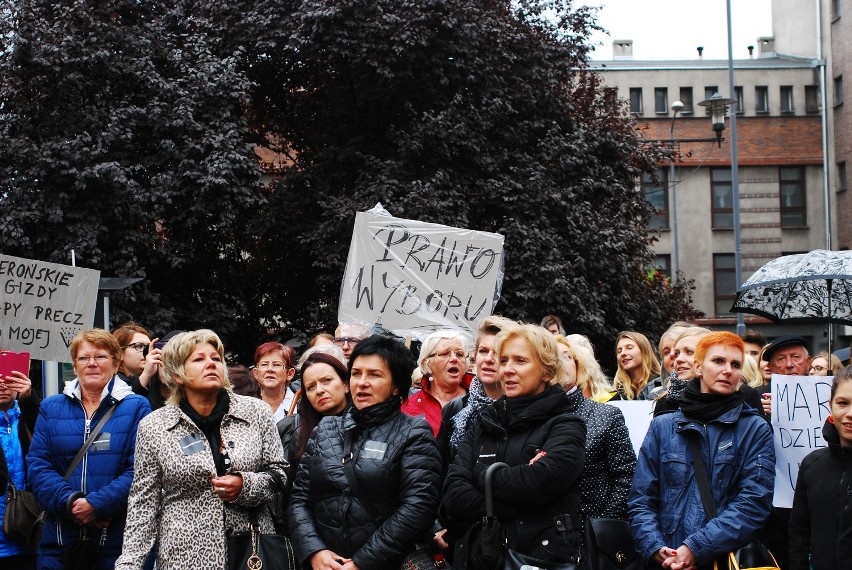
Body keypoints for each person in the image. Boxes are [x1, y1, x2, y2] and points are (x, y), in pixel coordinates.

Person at [115, 329, 287, 570]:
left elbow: (279, 475)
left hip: (251, 553)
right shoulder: (154, 426)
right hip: (182, 556)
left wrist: (244, 486)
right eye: (198, 359)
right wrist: (130, 563)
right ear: (177, 374)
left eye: (216, 359)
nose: (211, 364)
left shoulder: (256, 412)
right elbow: (143, 503)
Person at [288, 335, 441, 570]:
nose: (361, 382)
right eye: (357, 373)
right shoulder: (327, 429)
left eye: (374, 375)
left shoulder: (414, 432)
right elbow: (300, 498)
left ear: (397, 386)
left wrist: (362, 562)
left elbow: (418, 507)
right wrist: (314, 551)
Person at [628, 332, 775, 570]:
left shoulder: (754, 428)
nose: (727, 370)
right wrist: (655, 548)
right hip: (666, 560)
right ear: (698, 367)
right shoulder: (663, 426)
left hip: (723, 560)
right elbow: (641, 499)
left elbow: (753, 502)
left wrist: (696, 549)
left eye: (735, 364)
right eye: (718, 361)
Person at [443, 325, 586, 567]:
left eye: (520, 361)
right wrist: (513, 498)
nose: (507, 370)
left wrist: (483, 476)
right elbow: (454, 495)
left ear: (547, 372)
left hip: (541, 558)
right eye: (504, 360)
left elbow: (538, 483)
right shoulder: (484, 422)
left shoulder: (566, 424)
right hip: (481, 557)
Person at [27, 329, 151, 569]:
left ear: (116, 363)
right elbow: (38, 466)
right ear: (74, 366)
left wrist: (97, 505)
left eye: (101, 357)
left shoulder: (137, 406)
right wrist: (71, 502)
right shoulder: (51, 407)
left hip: (118, 544)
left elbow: (140, 469)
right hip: (60, 543)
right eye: (84, 358)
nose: (91, 363)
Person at [556, 336, 635, 546]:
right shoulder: (526, 418)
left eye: (567, 356)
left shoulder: (607, 416)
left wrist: (602, 527)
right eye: (553, 356)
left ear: (578, 364)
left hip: (592, 540)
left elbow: (626, 477)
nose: (561, 362)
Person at [273, 350, 350, 533]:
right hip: (313, 538)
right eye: (311, 387)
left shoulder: (371, 425)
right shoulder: (297, 433)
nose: (320, 390)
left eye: (326, 381)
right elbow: (293, 498)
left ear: (346, 384)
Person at [789, 365, 852, 570]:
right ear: (831, 406)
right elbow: (799, 536)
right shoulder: (812, 465)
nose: (850, 413)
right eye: (843, 403)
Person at [437, 316, 514, 468]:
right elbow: (440, 467)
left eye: (497, 353)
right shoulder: (456, 408)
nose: (489, 359)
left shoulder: (524, 409)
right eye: (483, 351)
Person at [0, 363, 39, 568]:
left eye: (9, 378)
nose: (2, 385)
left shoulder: (32, 416)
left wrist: (29, 400)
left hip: (29, 533)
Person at [402, 330, 470, 436]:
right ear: (427, 364)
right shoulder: (409, 407)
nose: (454, 359)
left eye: (460, 354)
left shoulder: (480, 401)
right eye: (445, 353)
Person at [111, 322, 163, 396]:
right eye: (139, 346)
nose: (146, 352)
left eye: (148, 347)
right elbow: (128, 403)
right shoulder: (112, 384)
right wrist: (146, 375)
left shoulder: (153, 382)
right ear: (119, 353)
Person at [252, 342, 297, 422]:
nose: (270, 369)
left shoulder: (301, 406)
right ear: (255, 373)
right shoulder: (246, 404)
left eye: (277, 365)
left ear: (290, 374)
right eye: (264, 364)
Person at [612, 331, 662, 400]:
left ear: (644, 351)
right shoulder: (617, 393)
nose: (623, 353)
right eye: (619, 351)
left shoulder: (661, 384)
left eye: (629, 348)